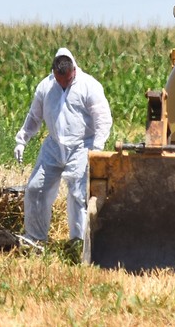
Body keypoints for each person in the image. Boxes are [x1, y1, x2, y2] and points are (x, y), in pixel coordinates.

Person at [14, 47, 112, 244]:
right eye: (59, 81)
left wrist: (97, 148)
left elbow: (103, 119)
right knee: (35, 188)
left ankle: (79, 241)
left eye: (67, 80)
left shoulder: (89, 86)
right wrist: (22, 140)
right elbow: (34, 116)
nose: (63, 84)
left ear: (73, 70)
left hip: (82, 145)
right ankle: (35, 238)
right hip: (53, 144)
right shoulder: (45, 87)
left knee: (78, 193)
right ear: (54, 74)